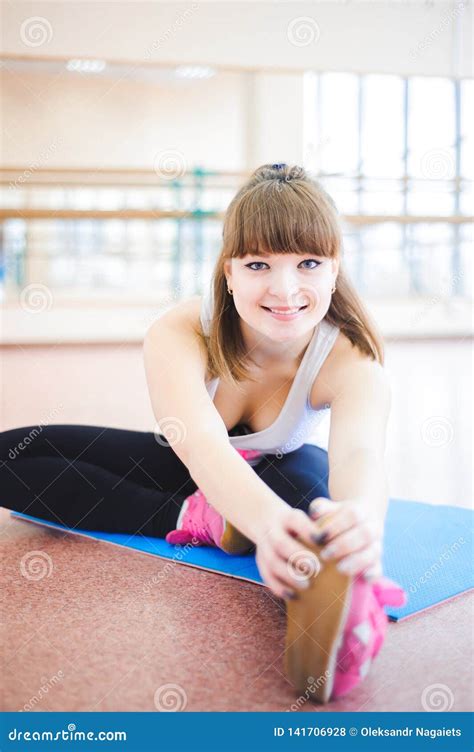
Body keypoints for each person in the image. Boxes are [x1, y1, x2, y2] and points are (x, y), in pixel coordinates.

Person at [0, 163, 406, 704]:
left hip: (285, 468)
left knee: (317, 512)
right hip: (189, 464)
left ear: (335, 269)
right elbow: (200, 444)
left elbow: (359, 454)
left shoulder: (354, 357)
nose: (285, 290)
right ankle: (200, 519)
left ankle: (343, 605)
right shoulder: (182, 330)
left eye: (309, 263)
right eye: (259, 264)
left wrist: (360, 520)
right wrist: (258, 523)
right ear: (229, 272)